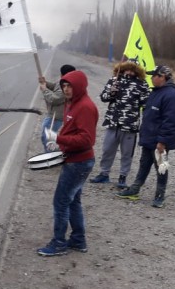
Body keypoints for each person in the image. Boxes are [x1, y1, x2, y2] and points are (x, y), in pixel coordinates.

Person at [37, 70, 98, 256]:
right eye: (64, 85)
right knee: (73, 201)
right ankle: (78, 240)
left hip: (79, 162)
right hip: (73, 159)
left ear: (79, 86)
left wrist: (59, 138)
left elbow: (87, 140)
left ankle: (59, 243)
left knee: (61, 202)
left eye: (69, 85)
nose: (66, 89)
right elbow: (72, 130)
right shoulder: (71, 103)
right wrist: (59, 138)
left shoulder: (85, 107)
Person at [116, 65, 175, 208]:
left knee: (161, 167)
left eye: (154, 76)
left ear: (162, 77)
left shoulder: (171, 95)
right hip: (149, 138)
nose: (151, 78)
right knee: (144, 164)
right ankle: (134, 189)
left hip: (159, 141)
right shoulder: (156, 92)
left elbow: (171, 121)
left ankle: (160, 196)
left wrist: (162, 141)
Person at [89, 61, 150, 188]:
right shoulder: (114, 80)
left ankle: (123, 177)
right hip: (112, 122)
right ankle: (104, 174)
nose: (129, 72)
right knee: (107, 150)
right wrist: (111, 92)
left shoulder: (142, 84)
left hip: (130, 125)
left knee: (127, 154)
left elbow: (146, 105)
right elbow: (103, 97)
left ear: (137, 71)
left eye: (132, 70)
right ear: (122, 69)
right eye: (126, 69)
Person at [38, 64, 76, 152]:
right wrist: (45, 83)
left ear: (62, 75)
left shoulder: (68, 85)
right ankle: (52, 153)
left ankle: (51, 156)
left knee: (47, 138)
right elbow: (55, 87)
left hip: (56, 116)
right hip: (53, 114)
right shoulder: (64, 82)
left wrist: (44, 89)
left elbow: (54, 99)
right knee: (46, 136)